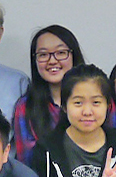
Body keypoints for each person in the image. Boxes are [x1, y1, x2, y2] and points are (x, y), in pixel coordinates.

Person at [12, 25, 83, 162]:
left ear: (74, 55)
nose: (52, 61)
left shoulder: (99, 100)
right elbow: (27, 163)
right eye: (43, 54)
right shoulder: (26, 107)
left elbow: (113, 149)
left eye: (61, 53)